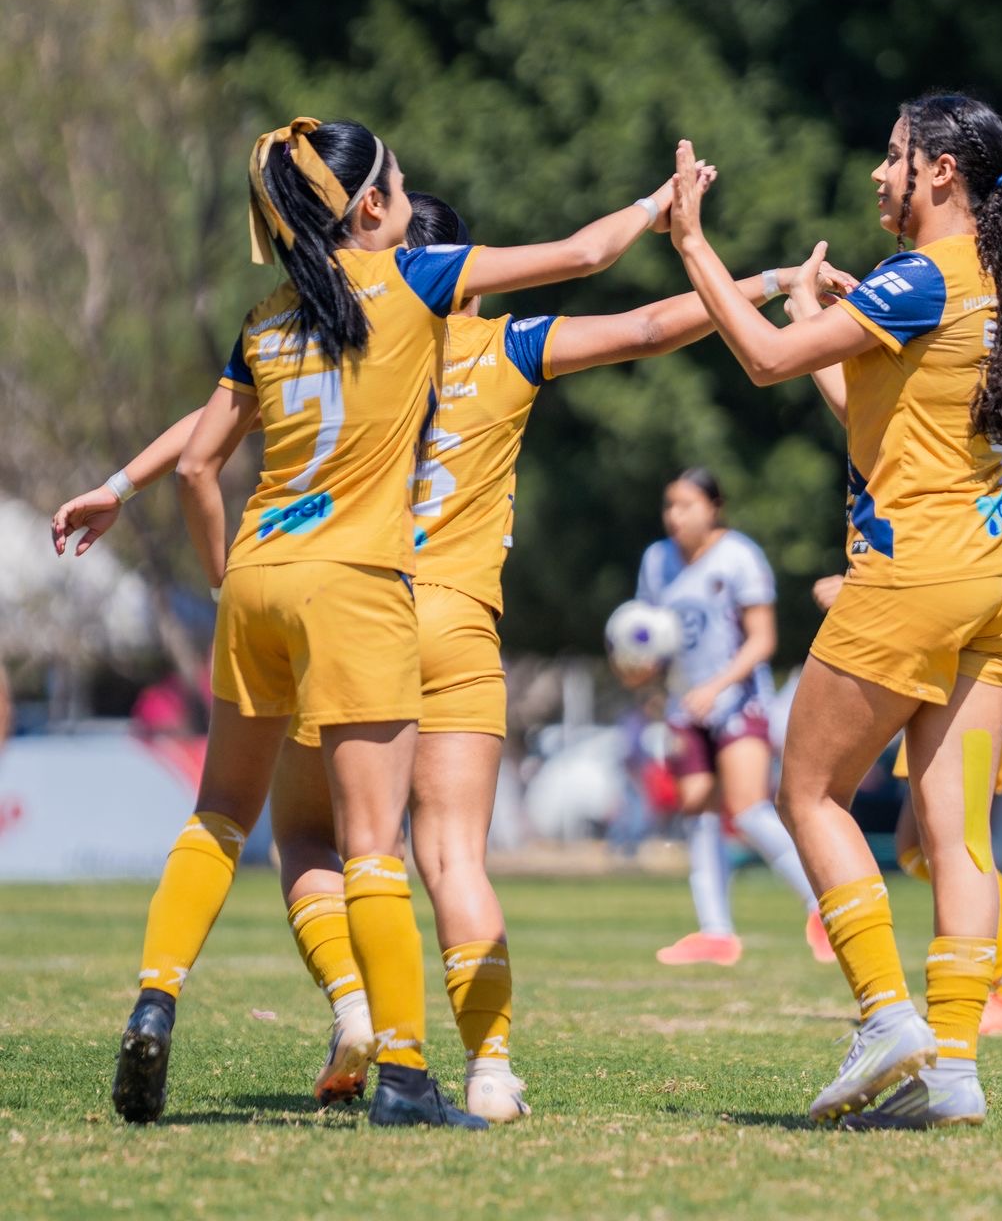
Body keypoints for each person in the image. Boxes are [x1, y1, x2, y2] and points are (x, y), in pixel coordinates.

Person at [55, 178, 807, 1121]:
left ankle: (354, 1005)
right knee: (451, 857)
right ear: (463, 277)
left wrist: (119, 486)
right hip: (453, 622)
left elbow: (217, 426)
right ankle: (487, 1068)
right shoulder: (505, 346)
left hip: (351, 609)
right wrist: (769, 281)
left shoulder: (347, 336)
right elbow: (651, 325)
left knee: (308, 838)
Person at [667, 92, 1002, 1129]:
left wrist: (692, 243)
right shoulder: (996, 275)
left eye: (894, 157)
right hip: (1001, 577)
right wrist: (820, 316)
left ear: (941, 170)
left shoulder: (918, 276)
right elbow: (885, 418)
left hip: (914, 579)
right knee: (958, 838)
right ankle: (950, 1071)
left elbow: (762, 364)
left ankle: (883, 1015)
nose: (877, 175)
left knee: (802, 791)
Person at [814, 575, 1002, 1034]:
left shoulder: (933, 513)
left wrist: (865, 602)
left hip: (963, 691)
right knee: (919, 851)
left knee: (952, 847)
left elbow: (941, 592)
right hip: (972, 685)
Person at [619, 469, 838, 970]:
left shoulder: (739, 556)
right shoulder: (657, 562)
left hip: (737, 701)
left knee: (747, 807)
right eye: (669, 506)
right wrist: (638, 668)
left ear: (714, 507)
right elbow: (654, 638)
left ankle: (822, 906)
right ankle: (716, 933)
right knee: (697, 807)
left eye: (687, 505)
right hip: (683, 707)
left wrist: (716, 687)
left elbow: (763, 639)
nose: (676, 516)